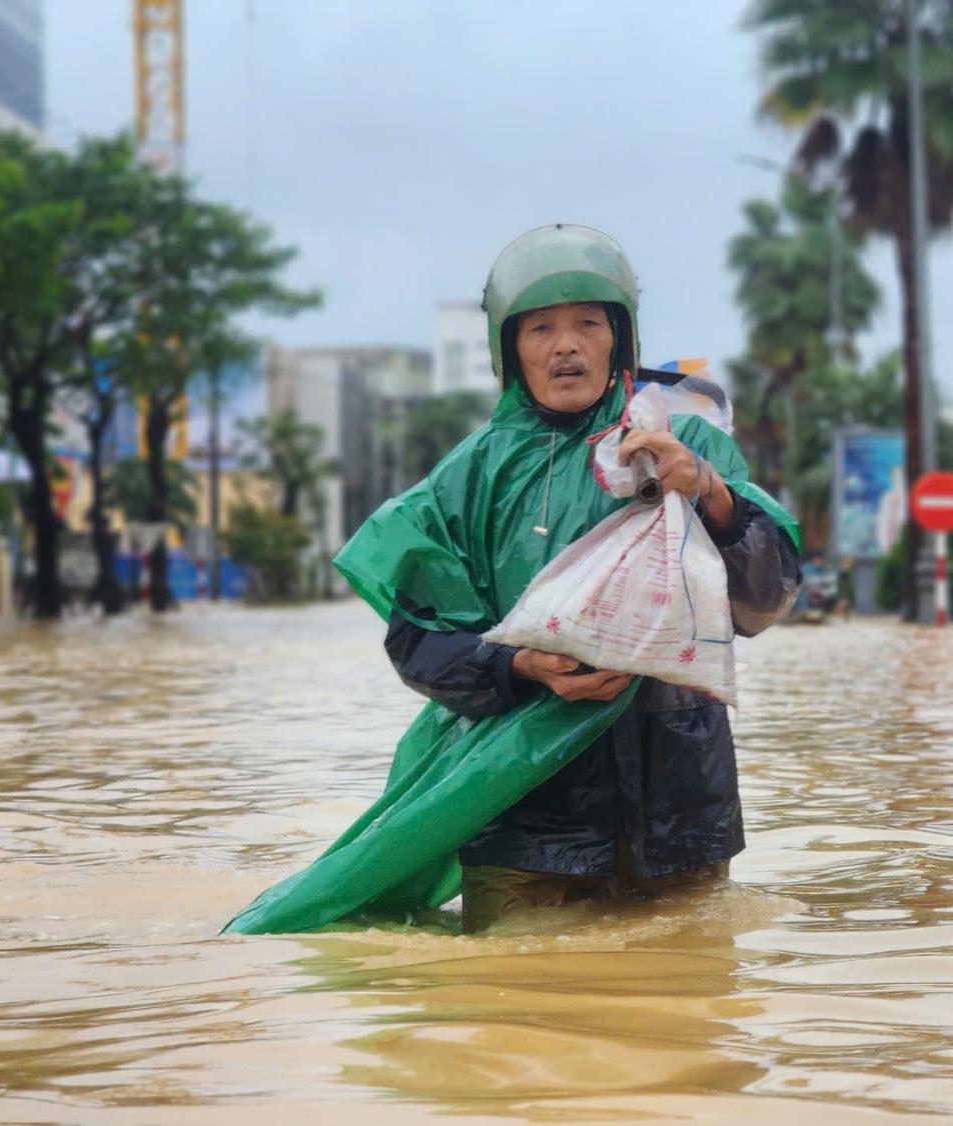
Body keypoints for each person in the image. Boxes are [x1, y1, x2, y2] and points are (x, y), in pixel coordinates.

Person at [221, 224, 801, 937]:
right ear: (510, 350)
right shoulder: (467, 481)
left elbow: (762, 602)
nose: (566, 345)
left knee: (685, 1012)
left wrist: (711, 493)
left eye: (588, 323)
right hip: (523, 827)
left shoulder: (694, 449)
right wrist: (521, 665)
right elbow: (419, 647)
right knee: (518, 1022)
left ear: (619, 339)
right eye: (541, 329)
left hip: (681, 811)